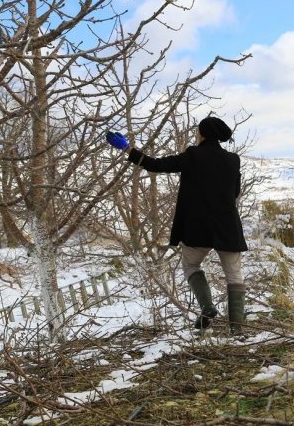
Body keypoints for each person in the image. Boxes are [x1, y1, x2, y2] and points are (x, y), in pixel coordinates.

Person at [106, 117, 248, 333]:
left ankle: (207, 307)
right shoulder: (233, 160)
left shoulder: (192, 155)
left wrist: (127, 148)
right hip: (227, 227)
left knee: (191, 266)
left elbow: (154, 165)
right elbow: (235, 193)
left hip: (197, 227)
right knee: (234, 276)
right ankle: (237, 329)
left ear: (201, 134)